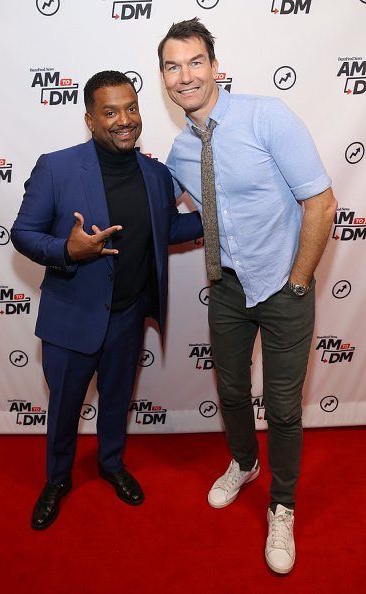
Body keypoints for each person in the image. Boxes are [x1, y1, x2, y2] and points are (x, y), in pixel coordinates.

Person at [158, 19, 337, 574]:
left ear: (214, 66)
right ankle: (244, 463)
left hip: (285, 287)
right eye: (171, 66)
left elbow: (321, 202)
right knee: (232, 391)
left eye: (194, 62)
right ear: (163, 77)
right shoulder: (180, 150)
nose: (184, 75)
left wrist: (301, 280)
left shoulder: (266, 117)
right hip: (229, 288)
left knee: (283, 407)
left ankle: (281, 506)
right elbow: (165, 214)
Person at [11, 70, 202, 531]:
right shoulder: (57, 167)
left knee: (117, 401)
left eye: (131, 108)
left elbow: (167, 229)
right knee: (63, 408)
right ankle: (57, 479)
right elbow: (23, 233)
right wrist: (67, 251)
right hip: (71, 317)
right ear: (90, 120)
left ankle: (111, 464)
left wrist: (219, 221)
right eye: (110, 112)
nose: (124, 120)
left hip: (128, 316)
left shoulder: (157, 174)